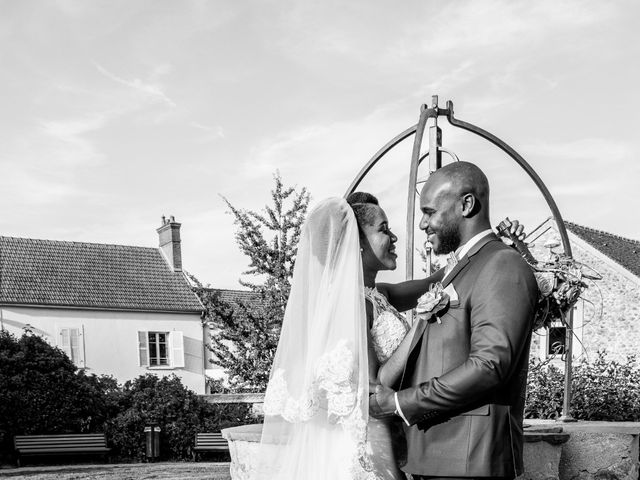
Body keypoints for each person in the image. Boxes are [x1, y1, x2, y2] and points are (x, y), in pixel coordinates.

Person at [369, 161, 539, 480]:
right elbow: (392, 297)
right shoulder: (458, 269)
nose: (422, 224)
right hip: (435, 457)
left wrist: (400, 402)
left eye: (430, 211)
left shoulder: (502, 264)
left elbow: (490, 365)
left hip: (470, 459)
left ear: (466, 204)